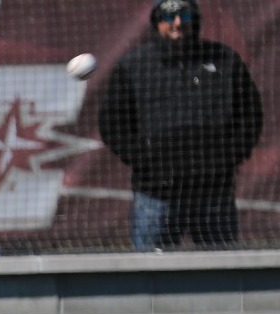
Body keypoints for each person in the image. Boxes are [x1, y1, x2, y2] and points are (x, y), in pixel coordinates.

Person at [97, 0, 263, 252]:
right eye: (169, 16)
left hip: (213, 194)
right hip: (156, 195)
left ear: (194, 20)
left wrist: (228, 157)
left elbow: (250, 115)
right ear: (156, 22)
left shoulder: (225, 61)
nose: (177, 23)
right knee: (150, 278)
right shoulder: (133, 66)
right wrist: (145, 158)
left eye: (184, 16)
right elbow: (112, 123)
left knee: (222, 273)